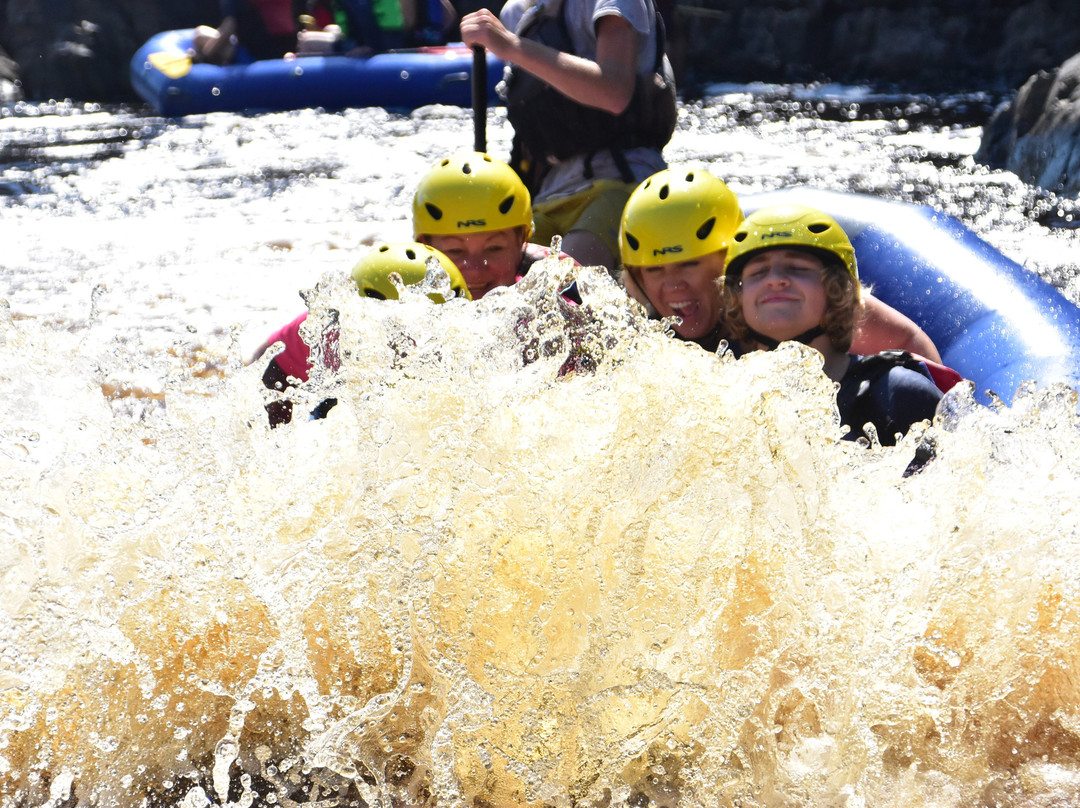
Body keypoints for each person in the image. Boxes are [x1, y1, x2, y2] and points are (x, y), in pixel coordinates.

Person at [618, 167, 949, 365]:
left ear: (729, 261)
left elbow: (906, 341)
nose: (673, 285)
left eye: (689, 264)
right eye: (654, 270)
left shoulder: (778, 303)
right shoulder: (630, 326)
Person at [458, 0, 676, 274]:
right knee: (491, 274)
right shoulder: (518, 12)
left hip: (621, 180)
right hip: (549, 194)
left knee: (561, 279)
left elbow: (615, 92)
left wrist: (512, 46)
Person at [722, 204, 944, 445]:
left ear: (837, 290)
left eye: (797, 268)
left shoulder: (899, 394)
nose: (775, 279)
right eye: (758, 272)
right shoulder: (721, 402)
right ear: (738, 298)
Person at [255, 241, 469, 425]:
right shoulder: (332, 332)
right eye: (393, 337)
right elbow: (270, 363)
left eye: (421, 336)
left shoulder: (464, 344)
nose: (403, 352)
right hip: (323, 393)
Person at [412, 152, 579, 300]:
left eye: (494, 248)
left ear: (521, 239)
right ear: (425, 246)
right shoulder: (407, 292)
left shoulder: (559, 284)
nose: (475, 269)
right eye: (455, 251)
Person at [195, 0, 302, 64]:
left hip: (258, 54)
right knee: (204, 33)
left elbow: (229, 28)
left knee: (200, 35)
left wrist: (205, 56)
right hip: (290, 45)